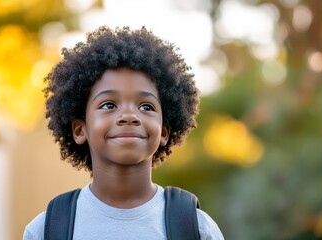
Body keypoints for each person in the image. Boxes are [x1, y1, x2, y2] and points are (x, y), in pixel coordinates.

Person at [23, 26, 224, 240]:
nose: (129, 116)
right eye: (109, 105)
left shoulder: (197, 228)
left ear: (164, 131)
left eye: (146, 106)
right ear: (80, 130)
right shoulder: (46, 230)